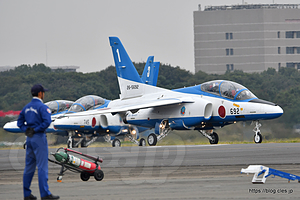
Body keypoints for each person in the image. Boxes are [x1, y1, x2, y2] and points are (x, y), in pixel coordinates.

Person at [17, 84, 59, 200]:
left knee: (29, 167)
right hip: (39, 138)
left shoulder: (27, 107)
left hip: (29, 138)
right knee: (42, 167)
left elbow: (19, 122)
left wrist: (27, 130)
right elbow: (47, 122)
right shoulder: (42, 107)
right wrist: (36, 129)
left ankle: (26, 194)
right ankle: (45, 194)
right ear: (40, 93)